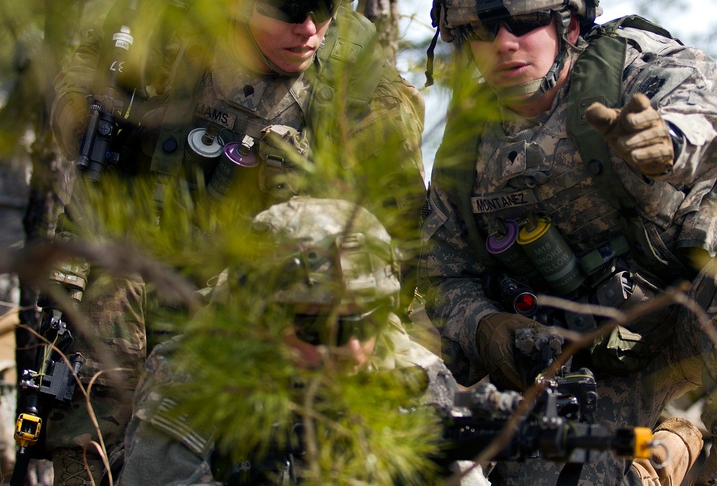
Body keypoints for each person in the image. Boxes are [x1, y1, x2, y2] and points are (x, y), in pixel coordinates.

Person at [419, 0, 717, 486]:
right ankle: (669, 447)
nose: (504, 42)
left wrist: (671, 141)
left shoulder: (630, 67)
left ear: (569, 20)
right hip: (582, 365)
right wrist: (488, 327)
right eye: (479, 29)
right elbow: (444, 275)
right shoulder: (468, 146)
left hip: (691, 320)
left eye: (524, 19)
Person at [40, 0, 425, 485]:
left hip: (282, 311)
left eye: (325, 7)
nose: (308, 28)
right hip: (147, 283)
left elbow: (399, 240)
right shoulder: (166, 41)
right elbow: (80, 88)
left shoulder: (361, 88)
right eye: (285, 6)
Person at [116, 197, 488, 486]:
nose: (352, 350)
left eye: (368, 321)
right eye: (321, 327)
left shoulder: (412, 374)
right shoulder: (196, 374)